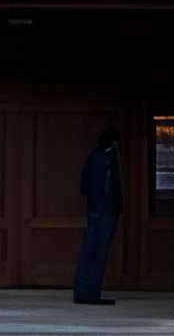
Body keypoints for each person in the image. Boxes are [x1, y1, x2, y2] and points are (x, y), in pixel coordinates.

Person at [73, 124, 124, 305]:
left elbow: (84, 185)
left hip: (95, 209)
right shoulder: (108, 159)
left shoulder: (93, 157)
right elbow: (111, 187)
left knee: (89, 250)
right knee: (99, 251)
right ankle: (91, 292)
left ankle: (82, 290)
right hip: (105, 210)